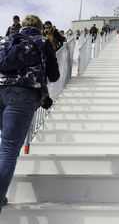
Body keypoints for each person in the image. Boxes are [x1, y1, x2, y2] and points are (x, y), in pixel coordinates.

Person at [0, 14, 60, 211]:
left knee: (6, 144)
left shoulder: (6, 39)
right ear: (40, 26)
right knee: (9, 148)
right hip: (23, 93)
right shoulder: (42, 41)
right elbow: (54, 75)